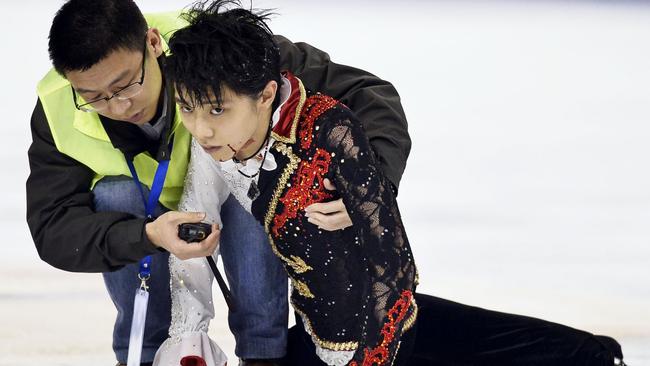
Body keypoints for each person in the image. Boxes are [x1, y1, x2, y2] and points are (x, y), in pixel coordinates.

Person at [157, 2, 628, 365]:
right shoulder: (213, 143)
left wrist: (368, 195)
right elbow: (193, 231)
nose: (200, 128)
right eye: (187, 108)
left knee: (473, 342)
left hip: (381, 335)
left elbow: (393, 266)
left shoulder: (328, 132)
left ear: (264, 96)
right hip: (319, 331)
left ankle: (583, 355)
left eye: (217, 110)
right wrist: (189, 339)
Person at [26, 0, 412, 365]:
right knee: (114, 193)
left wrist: (368, 192)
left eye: (127, 84)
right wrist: (147, 235)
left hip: (233, 192)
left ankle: (263, 352)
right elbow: (53, 228)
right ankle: (144, 352)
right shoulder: (57, 106)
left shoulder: (217, 47)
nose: (118, 106)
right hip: (143, 214)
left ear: (153, 43)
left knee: (255, 176)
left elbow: (368, 93)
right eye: (94, 97)